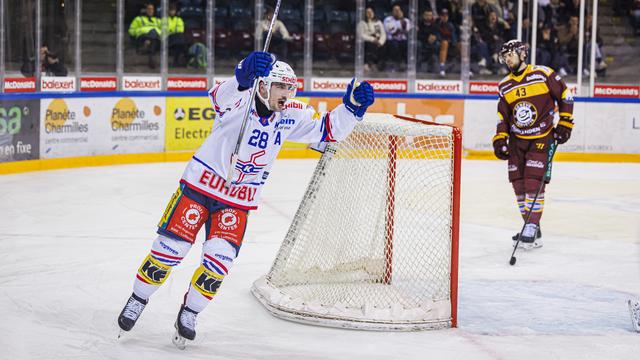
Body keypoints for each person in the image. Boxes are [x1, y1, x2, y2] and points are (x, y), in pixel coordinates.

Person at [116, 51, 375, 347]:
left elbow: (328, 130)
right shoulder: (240, 98)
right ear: (263, 85)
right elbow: (218, 97)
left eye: (291, 88)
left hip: (236, 201)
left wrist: (352, 110)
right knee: (168, 250)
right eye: (281, 86)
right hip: (198, 189)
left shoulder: (291, 114)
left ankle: (189, 313)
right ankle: (138, 298)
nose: (287, 94)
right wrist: (242, 74)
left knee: (218, 264)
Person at [491, 40, 574, 249]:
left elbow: (565, 95)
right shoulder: (504, 85)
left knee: (533, 183)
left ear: (522, 53)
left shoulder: (543, 74)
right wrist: (500, 138)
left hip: (542, 137)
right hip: (518, 141)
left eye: (510, 54)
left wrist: (565, 122)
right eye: (504, 56)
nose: (507, 59)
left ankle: (531, 226)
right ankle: (531, 226)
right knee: (518, 185)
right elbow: (503, 115)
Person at [128, 2, 161, 69]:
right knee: (152, 38)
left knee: (153, 37)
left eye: (152, 9)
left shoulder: (158, 20)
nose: (150, 10)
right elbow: (131, 30)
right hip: (142, 37)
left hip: (155, 38)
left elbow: (164, 30)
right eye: (149, 9)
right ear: (145, 10)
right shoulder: (138, 19)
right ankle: (150, 57)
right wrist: (142, 31)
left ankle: (147, 46)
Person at [383, 3, 412, 72]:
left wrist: (401, 19)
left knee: (408, 45)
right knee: (394, 45)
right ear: (392, 11)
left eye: (398, 10)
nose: (397, 12)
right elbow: (391, 31)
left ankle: (404, 63)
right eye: (395, 10)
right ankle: (394, 63)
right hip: (391, 40)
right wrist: (399, 28)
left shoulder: (406, 20)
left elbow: (406, 30)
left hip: (403, 40)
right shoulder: (388, 19)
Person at [357, 6, 386, 72]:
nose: (370, 13)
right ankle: (369, 64)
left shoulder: (378, 22)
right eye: (368, 12)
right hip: (368, 41)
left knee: (384, 47)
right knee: (369, 46)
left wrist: (380, 42)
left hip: (378, 41)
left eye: (371, 12)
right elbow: (361, 35)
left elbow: (383, 34)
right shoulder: (362, 23)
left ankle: (379, 65)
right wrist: (372, 39)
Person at [166, 3, 187, 67]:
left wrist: (172, 30)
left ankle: (176, 61)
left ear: (175, 11)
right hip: (168, 38)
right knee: (181, 43)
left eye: (173, 10)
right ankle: (181, 60)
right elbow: (165, 30)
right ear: (168, 11)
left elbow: (181, 29)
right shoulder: (164, 20)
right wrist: (173, 30)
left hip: (177, 37)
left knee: (179, 43)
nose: (172, 12)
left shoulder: (179, 20)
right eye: (171, 10)